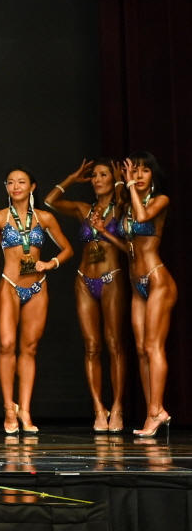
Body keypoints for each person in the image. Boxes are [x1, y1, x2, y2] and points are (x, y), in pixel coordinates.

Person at [0, 169, 73, 434]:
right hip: (9, 285)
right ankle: (9, 408)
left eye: (21, 182)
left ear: (32, 187)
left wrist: (50, 263)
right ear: (6, 187)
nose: (15, 186)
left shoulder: (45, 218)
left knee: (29, 348)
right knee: (7, 344)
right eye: (10, 182)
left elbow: (68, 249)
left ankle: (25, 411)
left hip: (37, 287)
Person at [45, 159, 129, 431]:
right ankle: (98, 408)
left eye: (103, 175)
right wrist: (73, 177)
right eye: (94, 175)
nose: (97, 179)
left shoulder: (121, 208)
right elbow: (50, 201)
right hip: (84, 280)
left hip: (111, 278)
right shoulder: (84, 209)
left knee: (114, 344)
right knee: (92, 346)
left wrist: (120, 180)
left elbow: (125, 202)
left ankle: (118, 407)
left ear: (112, 178)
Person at [119, 152, 175, 438]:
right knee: (141, 350)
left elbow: (143, 217)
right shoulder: (129, 205)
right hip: (135, 283)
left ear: (153, 176)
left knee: (154, 346)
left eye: (144, 171)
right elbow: (130, 243)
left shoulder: (159, 200)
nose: (138, 176)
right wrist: (105, 232)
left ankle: (156, 412)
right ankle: (154, 410)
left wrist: (129, 184)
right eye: (134, 171)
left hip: (157, 281)